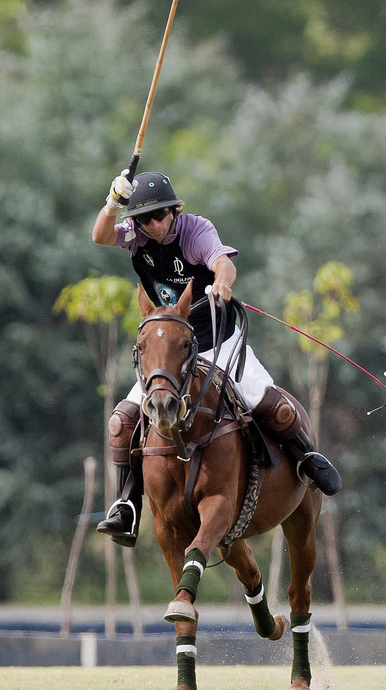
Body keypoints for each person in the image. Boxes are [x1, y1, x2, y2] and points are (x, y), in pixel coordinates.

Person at [90, 170, 341, 546]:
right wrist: (112, 203)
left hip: (215, 339)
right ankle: (127, 503)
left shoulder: (194, 230)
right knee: (122, 420)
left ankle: (306, 457)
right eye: (145, 218)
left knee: (265, 401)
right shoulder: (135, 236)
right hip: (170, 350)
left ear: (174, 210)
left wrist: (222, 280)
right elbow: (100, 235)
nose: (155, 224)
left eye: (161, 214)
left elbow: (221, 260)